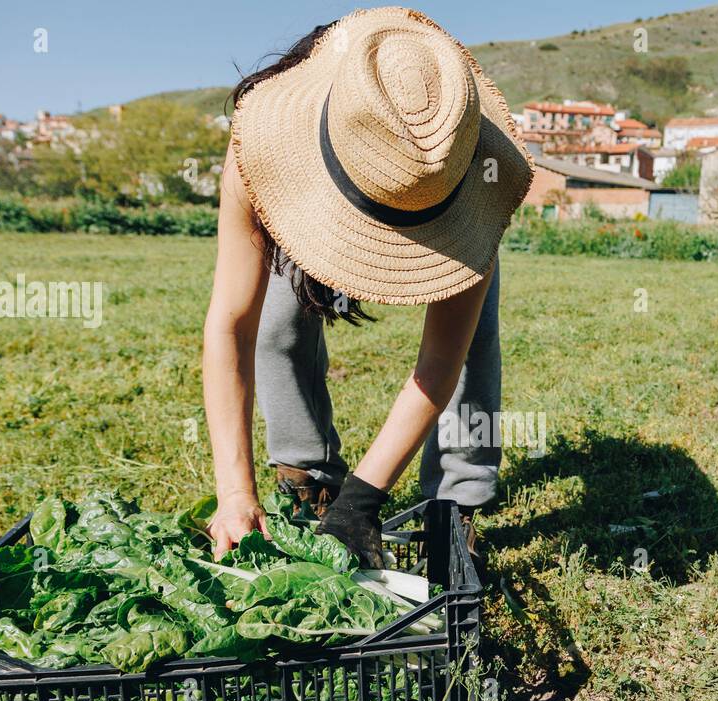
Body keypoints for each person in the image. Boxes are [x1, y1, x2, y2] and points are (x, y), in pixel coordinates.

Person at [200, 7, 532, 569]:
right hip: (316, 166)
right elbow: (233, 326)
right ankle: (307, 474)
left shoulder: (463, 165)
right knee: (279, 326)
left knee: (475, 344)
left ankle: (455, 501)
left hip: (453, 191)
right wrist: (235, 493)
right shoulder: (261, 151)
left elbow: (439, 361)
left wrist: (365, 498)